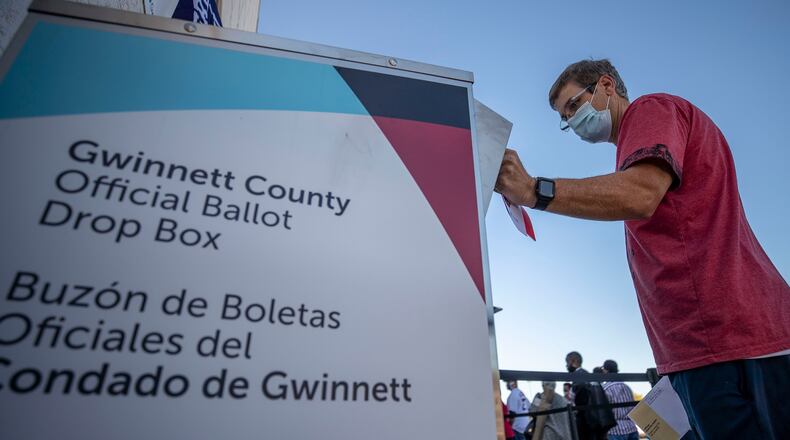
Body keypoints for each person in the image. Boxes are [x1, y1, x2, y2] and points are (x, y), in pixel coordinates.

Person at [495, 58, 790, 439]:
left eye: (573, 105)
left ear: (606, 86)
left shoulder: (651, 110)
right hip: (705, 344)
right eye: (565, 118)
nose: (572, 121)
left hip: (727, 341)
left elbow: (640, 194)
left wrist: (535, 190)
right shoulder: (639, 142)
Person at [565, 352, 612, 440]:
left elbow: (576, 400)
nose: (566, 365)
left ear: (573, 361)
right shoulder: (587, 375)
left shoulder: (579, 376)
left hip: (586, 422)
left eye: (567, 362)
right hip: (595, 422)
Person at [601, 360, 639, 440]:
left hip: (614, 430)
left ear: (606, 370)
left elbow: (603, 412)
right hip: (631, 427)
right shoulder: (626, 387)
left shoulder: (605, 388)